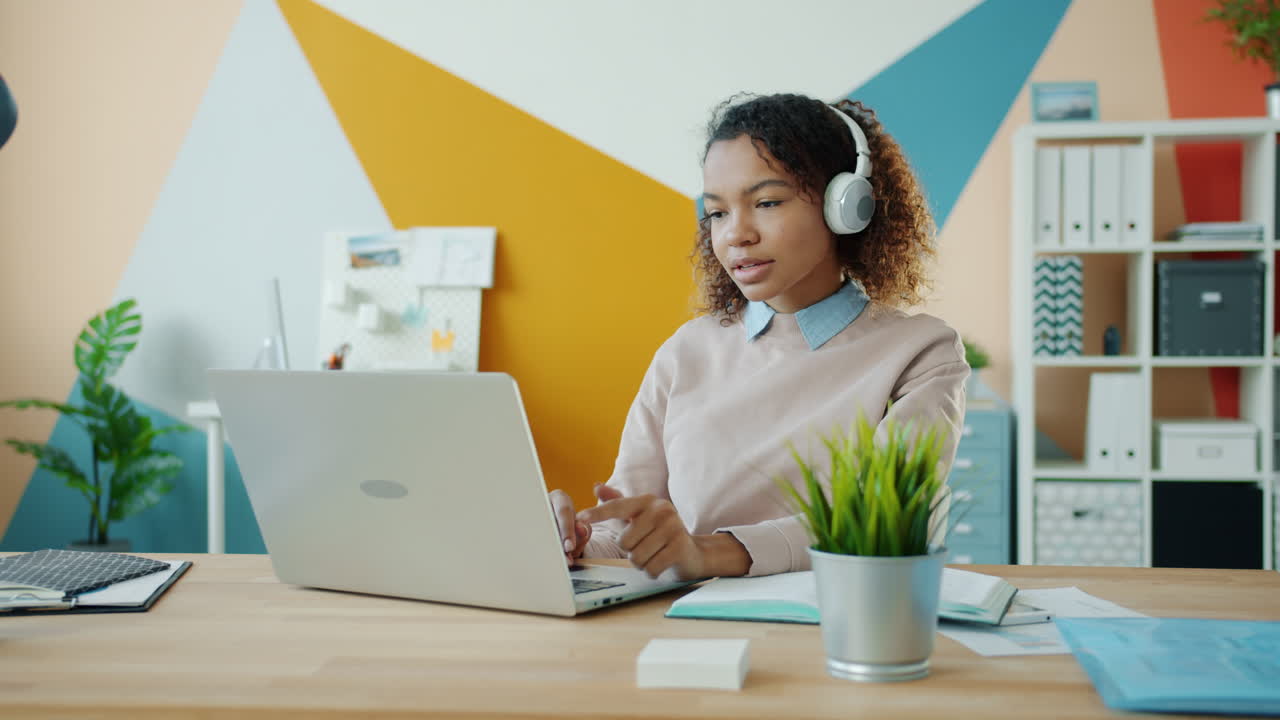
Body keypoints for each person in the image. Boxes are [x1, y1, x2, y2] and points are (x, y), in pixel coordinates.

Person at [549, 92, 968, 581]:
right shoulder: (685, 352)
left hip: (836, 628)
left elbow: (881, 528)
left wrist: (708, 552)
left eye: (766, 202)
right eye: (718, 213)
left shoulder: (921, 354)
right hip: (683, 633)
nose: (735, 235)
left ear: (845, 206)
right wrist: (572, 541)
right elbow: (627, 535)